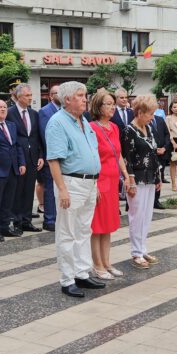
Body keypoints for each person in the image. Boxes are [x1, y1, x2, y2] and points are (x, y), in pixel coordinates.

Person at [44, 81, 105, 298]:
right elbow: (53, 160)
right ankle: (68, 279)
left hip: (89, 183)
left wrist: (95, 183)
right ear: (68, 99)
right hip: (71, 183)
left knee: (83, 230)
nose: (85, 99)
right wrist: (62, 189)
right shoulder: (57, 122)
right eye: (80, 95)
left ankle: (81, 272)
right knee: (67, 232)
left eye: (84, 95)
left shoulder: (83, 120)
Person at [87, 89, 130, 280]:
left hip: (112, 182)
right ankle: (97, 265)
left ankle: (107, 263)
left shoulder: (114, 127)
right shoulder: (91, 127)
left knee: (108, 224)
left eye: (113, 104)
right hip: (100, 180)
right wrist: (94, 184)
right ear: (98, 106)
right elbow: (91, 156)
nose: (112, 107)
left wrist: (126, 175)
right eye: (108, 104)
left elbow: (117, 154)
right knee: (97, 225)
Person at [123, 95, 162, 270]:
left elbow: (153, 153)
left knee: (146, 216)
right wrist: (130, 180)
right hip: (136, 179)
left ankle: (143, 248)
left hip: (149, 177)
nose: (152, 117)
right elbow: (127, 158)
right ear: (140, 112)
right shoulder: (129, 130)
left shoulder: (149, 128)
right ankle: (136, 252)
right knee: (136, 216)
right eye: (150, 114)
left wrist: (157, 177)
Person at [0, 99, 25, 241]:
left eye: (5, 107)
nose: (3, 109)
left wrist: (22, 162)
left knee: (8, 201)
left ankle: (5, 227)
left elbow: (17, 146)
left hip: (13, 169)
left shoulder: (11, 125)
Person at [8, 84, 44, 233]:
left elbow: (37, 136)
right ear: (18, 97)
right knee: (18, 190)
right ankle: (16, 221)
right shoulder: (9, 113)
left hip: (33, 157)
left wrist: (41, 155)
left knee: (29, 190)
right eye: (27, 95)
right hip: (17, 157)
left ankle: (27, 220)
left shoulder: (34, 113)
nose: (30, 98)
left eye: (31, 95)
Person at [38, 85, 60, 232]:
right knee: (50, 190)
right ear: (51, 96)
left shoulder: (64, 110)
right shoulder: (45, 111)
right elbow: (46, 135)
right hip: (51, 156)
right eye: (58, 93)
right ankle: (49, 219)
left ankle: (58, 217)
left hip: (63, 157)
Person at [147, 108, 169, 209]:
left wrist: (165, 147)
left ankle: (156, 200)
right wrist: (155, 150)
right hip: (151, 153)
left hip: (162, 152)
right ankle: (149, 200)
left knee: (159, 176)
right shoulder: (145, 120)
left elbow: (167, 134)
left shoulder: (160, 119)